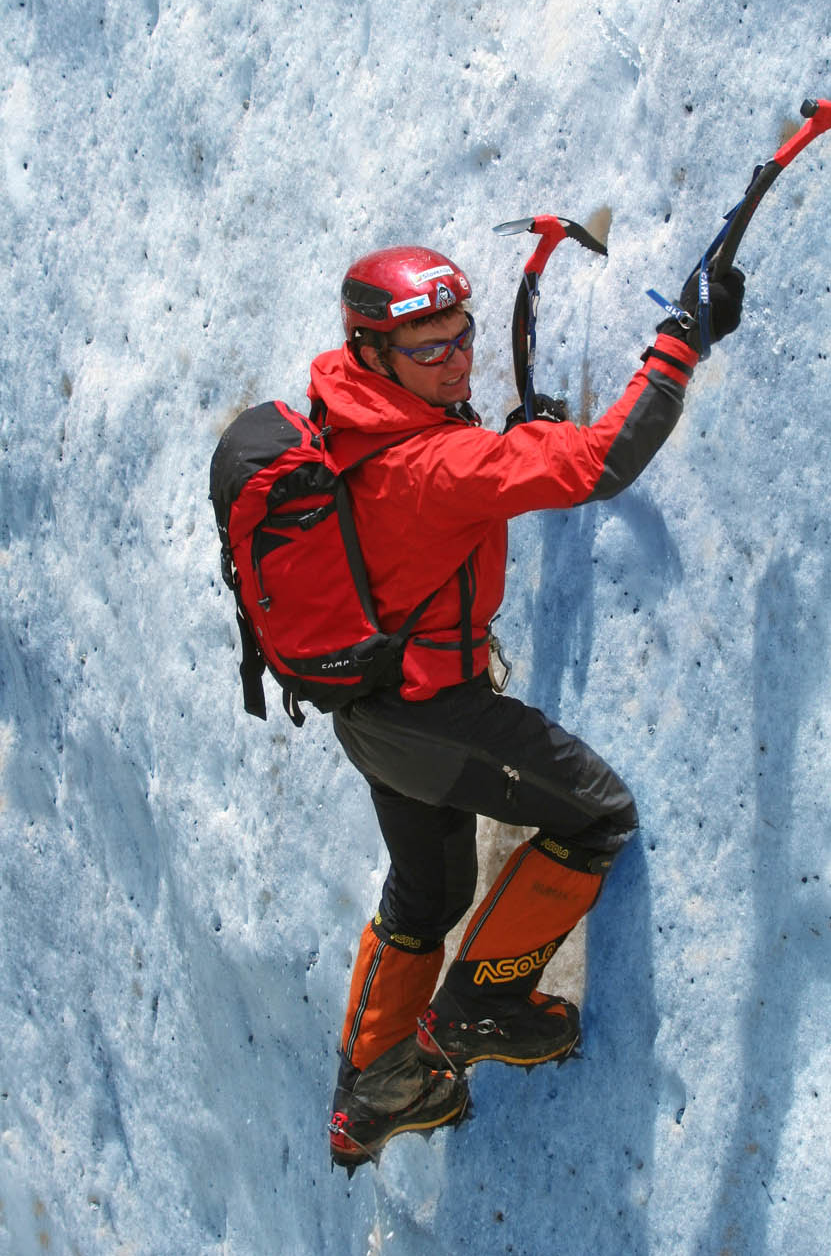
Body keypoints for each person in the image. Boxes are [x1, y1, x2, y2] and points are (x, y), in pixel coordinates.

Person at [313, 243, 745, 1169]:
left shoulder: (342, 418)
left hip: (369, 711)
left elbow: (449, 492)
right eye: (429, 349)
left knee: (428, 894)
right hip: (436, 716)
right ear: (373, 351)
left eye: (461, 335)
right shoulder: (439, 462)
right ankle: (485, 1005)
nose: (456, 360)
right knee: (596, 813)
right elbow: (600, 462)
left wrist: (505, 445)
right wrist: (681, 341)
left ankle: (369, 1093)